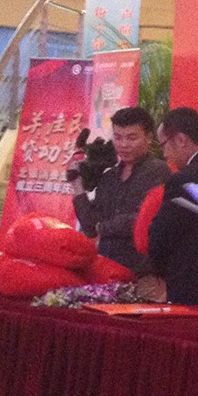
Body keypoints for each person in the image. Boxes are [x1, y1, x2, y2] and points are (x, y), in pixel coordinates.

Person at [71, 106, 170, 276]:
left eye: (132, 138)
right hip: (106, 271)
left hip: (143, 274)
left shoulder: (159, 171)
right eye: (118, 137)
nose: (123, 145)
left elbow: (141, 219)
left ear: (148, 137)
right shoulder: (109, 176)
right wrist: (77, 184)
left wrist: (103, 227)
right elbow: (89, 227)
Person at [146, 107, 198, 306]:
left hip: (192, 282)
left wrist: (158, 270)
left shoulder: (184, 179)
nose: (165, 154)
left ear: (181, 140)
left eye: (163, 145)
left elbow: (162, 234)